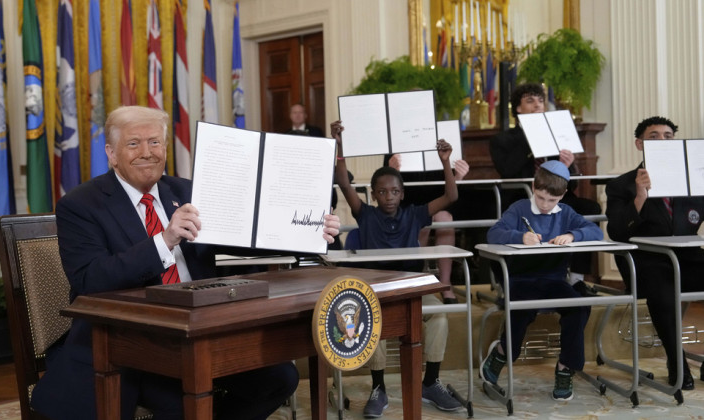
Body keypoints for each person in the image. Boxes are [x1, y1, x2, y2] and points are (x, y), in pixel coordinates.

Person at [30, 106, 341, 420]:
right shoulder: (81, 205)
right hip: (130, 345)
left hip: (203, 334)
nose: (147, 152)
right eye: (134, 143)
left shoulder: (189, 191)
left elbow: (241, 240)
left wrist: (309, 232)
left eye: (154, 142)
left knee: (280, 378)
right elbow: (89, 280)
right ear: (111, 154)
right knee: (182, 403)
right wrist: (164, 241)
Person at [332, 120, 467, 417]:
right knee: (369, 318)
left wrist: (446, 162)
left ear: (402, 194)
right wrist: (339, 146)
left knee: (439, 316)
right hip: (375, 290)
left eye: (394, 192)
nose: (389, 197)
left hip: (411, 288)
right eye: (382, 192)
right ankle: (378, 388)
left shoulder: (415, 214)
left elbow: (451, 197)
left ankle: (430, 382)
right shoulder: (364, 214)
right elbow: (343, 181)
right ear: (373, 194)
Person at [482, 161, 603, 401]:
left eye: (552, 200)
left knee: (578, 307)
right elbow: (493, 234)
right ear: (533, 187)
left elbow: (595, 231)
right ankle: (501, 352)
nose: (546, 206)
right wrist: (519, 236)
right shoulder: (518, 209)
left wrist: (572, 235)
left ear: (563, 195)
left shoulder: (566, 212)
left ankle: (565, 367)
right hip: (520, 280)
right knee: (520, 311)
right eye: (541, 198)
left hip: (553, 280)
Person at [606, 116, 704, 391]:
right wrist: (640, 196)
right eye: (654, 136)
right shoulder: (621, 185)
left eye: (668, 136)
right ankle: (677, 363)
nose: (662, 140)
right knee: (663, 295)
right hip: (644, 259)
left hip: (687, 256)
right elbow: (616, 231)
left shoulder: (692, 178)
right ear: (640, 144)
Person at [489, 82, 602, 293]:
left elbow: (572, 184)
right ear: (518, 109)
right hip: (520, 196)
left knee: (590, 209)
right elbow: (507, 169)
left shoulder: (555, 136)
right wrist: (532, 143)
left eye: (540, 101)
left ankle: (576, 278)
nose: (537, 105)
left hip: (554, 197)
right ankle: (513, 281)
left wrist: (567, 166)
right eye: (530, 101)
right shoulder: (503, 139)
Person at [384, 153, 471, 304]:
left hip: (440, 200)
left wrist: (458, 176)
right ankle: (416, 278)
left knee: (445, 218)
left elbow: (450, 193)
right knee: (421, 222)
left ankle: (445, 283)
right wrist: (391, 171)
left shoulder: (444, 145)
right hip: (407, 201)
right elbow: (384, 185)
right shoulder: (396, 144)